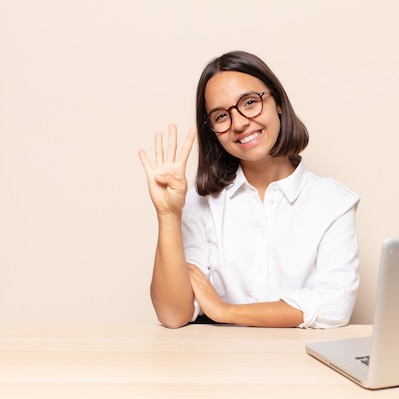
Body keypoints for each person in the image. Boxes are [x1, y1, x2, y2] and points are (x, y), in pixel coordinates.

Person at [138, 51, 359, 329]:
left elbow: (334, 307)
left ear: (277, 101)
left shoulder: (333, 203)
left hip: (302, 368)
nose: (240, 123)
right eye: (221, 116)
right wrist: (168, 214)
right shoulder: (201, 203)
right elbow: (173, 315)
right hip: (218, 367)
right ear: (213, 131)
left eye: (250, 102)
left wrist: (225, 311)